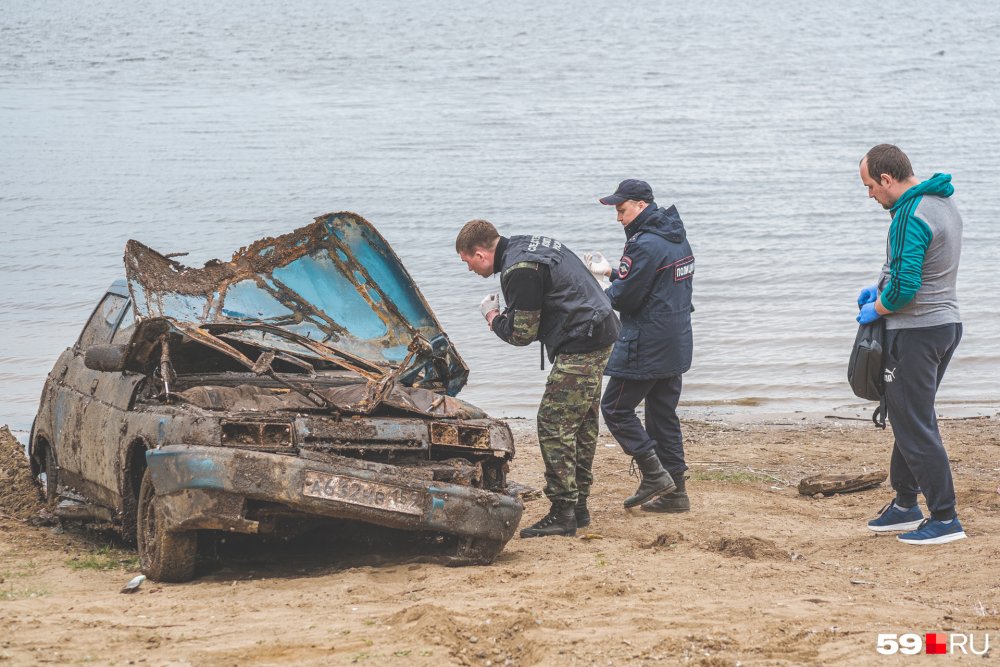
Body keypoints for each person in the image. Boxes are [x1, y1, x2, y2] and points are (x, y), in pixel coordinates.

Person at [456, 220, 619, 537]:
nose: (469, 270)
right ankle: (578, 506)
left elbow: (522, 334)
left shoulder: (518, 270)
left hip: (582, 340)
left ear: (479, 253)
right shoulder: (529, 243)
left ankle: (563, 512)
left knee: (552, 423)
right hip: (600, 328)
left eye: (467, 262)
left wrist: (492, 317)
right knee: (582, 421)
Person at [856, 144, 966, 544]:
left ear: (887, 179)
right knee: (910, 415)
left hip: (916, 331)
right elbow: (908, 267)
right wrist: (879, 286)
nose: (870, 195)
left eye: (870, 186)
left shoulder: (908, 215)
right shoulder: (940, 202)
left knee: (914, 423)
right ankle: (905, 504)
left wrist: (878, 307)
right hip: (945, 326)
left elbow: (905, 288)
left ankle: (945, 518)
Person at [586, 179, 695, 512]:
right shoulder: (675, 236)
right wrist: (613, 271)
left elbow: (624, 298)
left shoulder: (644, 245)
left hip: (647, 343)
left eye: (621, 210)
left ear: (641, 206)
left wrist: (595, 289)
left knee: (615, 409)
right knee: (662, 415)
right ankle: (676, 494)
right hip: (676, 338)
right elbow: (653, 281)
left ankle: (653, 474)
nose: (618, 218)